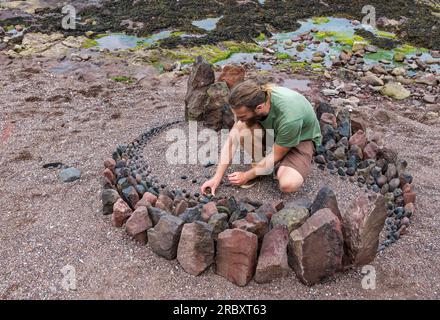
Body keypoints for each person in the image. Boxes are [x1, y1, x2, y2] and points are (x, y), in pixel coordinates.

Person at [200, 79, 322, 196]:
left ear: (259, 107)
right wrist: (217, 177)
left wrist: (246, 176)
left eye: (242, 116)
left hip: (301, 138)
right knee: (241, 130)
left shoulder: (290, 118)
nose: (238, 119)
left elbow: (276, 154)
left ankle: (273, 166)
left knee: (288, 184)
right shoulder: (254, 97)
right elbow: (232, 141)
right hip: (275, 131)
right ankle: (263, 167)